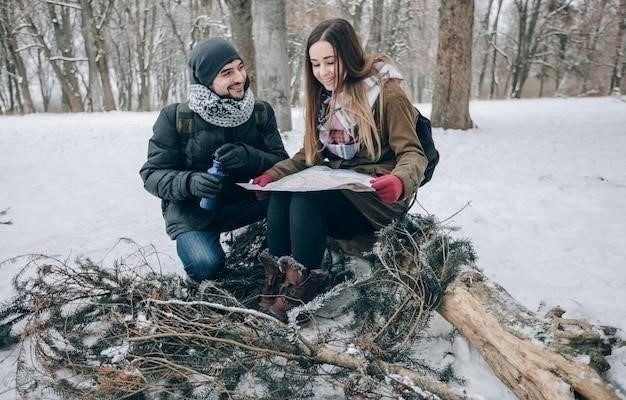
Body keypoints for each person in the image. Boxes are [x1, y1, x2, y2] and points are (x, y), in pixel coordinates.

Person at [252, 18, 428, 319]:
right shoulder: (325, 99)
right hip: (343, 189)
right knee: (282, 193)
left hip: (376, 197)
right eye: (316, 64)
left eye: (330, 62)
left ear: (348, 54)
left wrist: (398, 181)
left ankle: (300, 292)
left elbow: (413, 153)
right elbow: (309, 155)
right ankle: (280, 278)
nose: (322, 72)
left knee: (308, 198)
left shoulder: (385, 94)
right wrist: (272, 176)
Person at [140, 37, 288, 282]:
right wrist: (190, 183)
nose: (239, 78)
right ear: (207, 81)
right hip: (193, 212)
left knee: (294, 204)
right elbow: (152, 174)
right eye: (227, 73)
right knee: (205, 264)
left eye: (240, 67)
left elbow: (283, 163)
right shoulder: (175, 117)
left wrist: (249, 157)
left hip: (246, 204)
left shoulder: (260, 112)